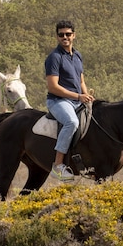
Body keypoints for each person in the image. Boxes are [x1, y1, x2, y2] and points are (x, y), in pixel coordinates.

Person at [45, 20, 95, 181]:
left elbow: (80, 82)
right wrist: (78, 96)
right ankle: (58, 166)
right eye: (61, 35)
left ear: (74, 35)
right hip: (58, 101)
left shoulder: (78, 55)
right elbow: (53, 87)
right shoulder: (54, 57)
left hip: (77, 100)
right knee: (71, 122)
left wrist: (87, 97)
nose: (64, 37)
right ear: (57, 36)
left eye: (68, 34)